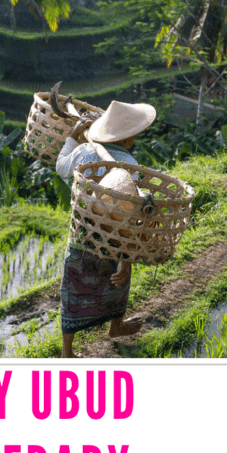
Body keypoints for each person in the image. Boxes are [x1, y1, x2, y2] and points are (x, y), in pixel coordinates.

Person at [56, 100, 156, 358]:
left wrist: (72, 138)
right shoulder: (130, 165)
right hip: (115, 237)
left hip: (82, 233)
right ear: (127, 139)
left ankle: (67, 351)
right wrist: (126, 260)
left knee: (73, 288)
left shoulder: (82, 151)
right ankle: (116, 325)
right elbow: (131, 215)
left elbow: (60, 167)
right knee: (117, 282)